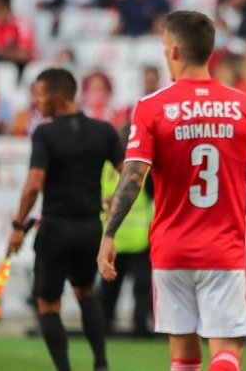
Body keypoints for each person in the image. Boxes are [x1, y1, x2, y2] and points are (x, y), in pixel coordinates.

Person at [97, 11, 246, 371]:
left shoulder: (151, 107)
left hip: (170, 249)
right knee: (225, 351)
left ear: (175, 50)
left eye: (164, 47)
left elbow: (133, 176)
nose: (164, 53)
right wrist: (234, 213)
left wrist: (109, 232)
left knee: (184, 356)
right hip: (223, 246)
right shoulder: (243, 105)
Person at [6, 68, 123, 371]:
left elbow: (34, 184)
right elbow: (129, 173)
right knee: (85, 291)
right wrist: (112, 201)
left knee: (48, 302)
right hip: (90, 229)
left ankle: (64, 370)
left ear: (57, 99)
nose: (36, 100)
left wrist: (18, 225)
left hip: (56, 227)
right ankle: (101, 364)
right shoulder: (103, 131)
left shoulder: (44, 133)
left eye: (40, 95)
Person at [97, 124, 154, 336]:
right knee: (130, 289)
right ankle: (136, 329)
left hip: (124, 240)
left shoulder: (106, 169)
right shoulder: (144, 169)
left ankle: (111, 327)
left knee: (115, 289)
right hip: (126, 240)